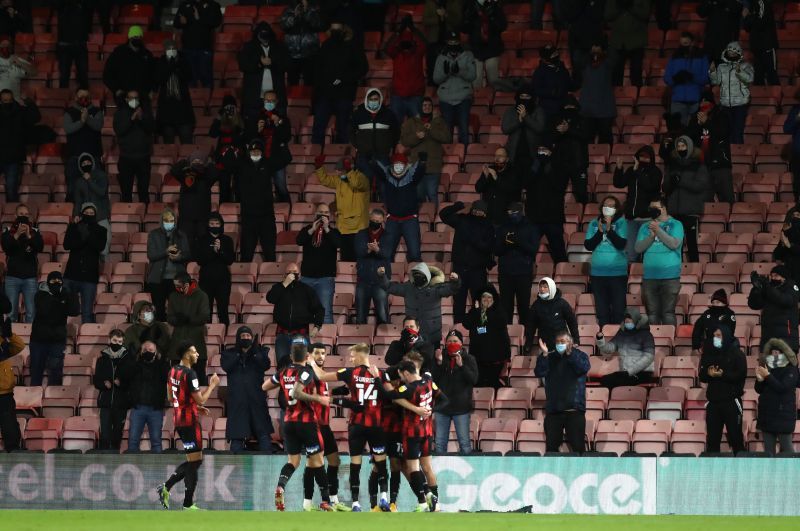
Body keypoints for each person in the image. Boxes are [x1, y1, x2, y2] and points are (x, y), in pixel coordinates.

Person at [313, 343, 389, 512]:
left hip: (357, 426)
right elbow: (389, 396)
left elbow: (322, 376)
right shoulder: (381, 374)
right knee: (381, 462)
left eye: (353, 356)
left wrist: (311, 360)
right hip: (376, 425)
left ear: (361, 356)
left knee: (356, 464)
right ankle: (384, 497)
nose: (351, 359)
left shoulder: (350, 373)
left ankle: (355, 503)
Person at [262, 343, 332, 512]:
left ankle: (281, 486)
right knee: (317, 461)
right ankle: (326, 501)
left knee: (293, 461)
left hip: (288, 422)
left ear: (291, 356)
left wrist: (282, 383)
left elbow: (264, 386)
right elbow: (296, 392)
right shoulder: (306, 371)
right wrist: (317, 399)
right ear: (307, 356)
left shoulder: (283, 372)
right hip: (305, 422)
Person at [156, 343, 220, 511]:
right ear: (185, 354)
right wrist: (213, 384)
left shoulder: (172, 370)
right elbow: (201, 399)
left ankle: (183, 500)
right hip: (190, 422)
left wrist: (194, 406)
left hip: (178, 420)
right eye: (194, 351)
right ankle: (178, 495)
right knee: (195, 461)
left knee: (194, 461)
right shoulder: (190, 374)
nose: (197, 354)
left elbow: (171, 397)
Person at [390, 359, 445, 512]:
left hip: (412, 433)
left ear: (406, 373)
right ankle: (436, 504)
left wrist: (378, 379)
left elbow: (390, 395)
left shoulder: (409, 388)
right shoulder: (428, 379)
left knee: (412, 467)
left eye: (402, 375)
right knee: (427, 468)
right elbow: (444, 400)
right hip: (427, 432)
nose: (401, 379)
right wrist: (430, 410)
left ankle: (425, 499)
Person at [311, 21, 368, 144]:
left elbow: (362, 68)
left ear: (344, 30)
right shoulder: (325, 46)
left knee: (343, 129)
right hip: (325, 93)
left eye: (337, 29)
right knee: (318, 128)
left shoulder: (353, 46)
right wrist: (323, 86)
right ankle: (316, 157)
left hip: (344, 94)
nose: (335, 32)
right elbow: (317, 70)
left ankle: (343, 157)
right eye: (333, 29)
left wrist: (344, 78)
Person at [438, 200, 496, 323]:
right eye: (476, 211)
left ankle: (481, 331)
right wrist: (457, 206)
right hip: (460, 269)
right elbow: (443, 214)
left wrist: (472, 238)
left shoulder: (488, 226)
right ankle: (458, 331)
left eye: (481, 212)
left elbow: (488, 247)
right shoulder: (462, 220)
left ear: (485, 213)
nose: (478, 214)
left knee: (480, 303)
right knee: (458, 302)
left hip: (478, 271)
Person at [379, 262, 460, 348]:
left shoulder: (436, 288)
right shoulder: (407, 287)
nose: (418, 277)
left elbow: (451, 289)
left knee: (432, 359)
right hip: (412, 334)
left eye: (421, 275)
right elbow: (389, 287)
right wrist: (382, 276)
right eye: (416, 275)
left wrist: (455, 281)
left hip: (432, 334)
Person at [534, 331, 590, 453]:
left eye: (563, 342)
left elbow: (583, 368)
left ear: (570, 343)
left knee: (578, 448)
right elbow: (539, 372)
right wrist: (544, 354)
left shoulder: (580, 355)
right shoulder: (549, 356)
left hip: (574, 410)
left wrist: (570, 354)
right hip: (554, 411)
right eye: (558, 342)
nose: (560, 344)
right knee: (551, 448)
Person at [221, 326, 273, 452]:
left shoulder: (260, 352)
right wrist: (240, 353)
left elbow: (265, 365)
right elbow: (226, 366)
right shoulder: (229, 353)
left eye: (248, 336)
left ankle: (267, 464)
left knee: (263, 433)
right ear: (238, 338)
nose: (246, 338)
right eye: (243, 336)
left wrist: (253, 352)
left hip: (257, 398)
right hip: (237, 399)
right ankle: (236, 465)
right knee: (237, 436)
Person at [635, 197, 684, 325]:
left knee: (668, 313)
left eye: (656, 208)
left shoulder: (676, 224)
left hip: (670, 276)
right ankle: (653, 342)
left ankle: (669, 341)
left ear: (664, 209)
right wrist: (651, 237)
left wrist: (658, 230)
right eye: (651, 209)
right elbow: (638, 248)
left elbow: (674, 244)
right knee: (652, 314)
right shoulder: (645, 227)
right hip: (649, 276)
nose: (653, 211)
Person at [266, 263, 325, 367]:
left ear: (300, 275)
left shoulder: (307, 290)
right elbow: (270, 298)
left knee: (302, 366)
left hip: (301, 334)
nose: (292, 275)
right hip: (282, 334)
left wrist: (317, 326)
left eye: (295, 273)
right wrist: (284, 284)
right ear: (284, 275)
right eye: (289, 273)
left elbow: (319, 309)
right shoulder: (278, 287)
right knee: (282, 367)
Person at [312, 155, 370, 262]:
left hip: (357, 227)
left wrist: (349, 172)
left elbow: (357, 184)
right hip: (343, 227)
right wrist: (319, 168)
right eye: (337, 170)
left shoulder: (361, 178)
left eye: (339, 170)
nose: (337, 173)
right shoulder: (340, 179)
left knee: (358, 259)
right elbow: (326, 180)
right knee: (346, 260)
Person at [664, 135, 711, 263]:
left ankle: (694, 269)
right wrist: (672, 183)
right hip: (674, 211)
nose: (680, 148)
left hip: (691, 210)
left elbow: (700, 186)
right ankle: (675, 267)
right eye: (678, 146)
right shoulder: (671, 165)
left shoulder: (699, 165)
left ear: (689, 147)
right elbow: (665, 188)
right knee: (674, 243)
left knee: (692, 244)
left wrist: (680, 181)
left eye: (683, 146)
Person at [429, 329, 477, 455]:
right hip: (442, 408)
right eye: (449, 341)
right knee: (439, 443)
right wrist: (438, 363)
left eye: (455, 341)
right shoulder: (439, 357)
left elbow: (474, 379)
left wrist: (462, 366)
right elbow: (432, 380)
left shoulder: (469, 359)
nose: (452, 343)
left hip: (461, 408)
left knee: (464, 443)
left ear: (461, 343)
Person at [699, 326, 746, 454]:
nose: (715, 338)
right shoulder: (708, 353)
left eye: (718, 336)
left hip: (732, 402)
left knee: (736, 439)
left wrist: (721, 374)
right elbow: (702, 376)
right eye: (714, 336)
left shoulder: (737, 354)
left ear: (726, 336)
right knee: (712, 441)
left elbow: (740, 375)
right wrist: (709, 373)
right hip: (713, 403)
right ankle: (712, 472)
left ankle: (741, 470)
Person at [29, 272, 80, 386]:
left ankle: (53, 399)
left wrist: (71, 294)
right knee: (36, 372)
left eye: (59, 281)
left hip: (57, 341)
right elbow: (45, 310)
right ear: (48, 282)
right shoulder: (40, 294)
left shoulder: (66, 294)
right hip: (38, 341)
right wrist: (62, 302)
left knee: (56, 372)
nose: (56, 284)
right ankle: (35, 400)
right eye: (53, 281)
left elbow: (74, 311)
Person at [400, 97, 452, 210]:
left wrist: (432, 129)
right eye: (424, 105)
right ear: (420, 107)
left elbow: (447, 138)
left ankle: (433, 219)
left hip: (433, 166)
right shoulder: (411, 122)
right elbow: (404, 141)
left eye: (429, 105)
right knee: (419, 195)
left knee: (432, 194)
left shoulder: (439, 121)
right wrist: (416, 137)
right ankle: (421, 219)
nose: (427, 107)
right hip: (417, 166)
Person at [613, 146, 663, 261]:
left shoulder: (655, 171)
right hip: (631, 218)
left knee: (647, 252)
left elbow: (650, 186)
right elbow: (619, 184)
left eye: (646, 157)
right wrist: (619, 169)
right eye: (641, 157)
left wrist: (638, 172)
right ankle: (632, 275)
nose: (643, 160)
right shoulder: (631, 170)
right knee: (631, 252)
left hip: (648, 218)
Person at [374, 153, 426, 262]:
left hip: (410, 220)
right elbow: (378, 170)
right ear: (392, 165)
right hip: (392, 220)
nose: (398, 166)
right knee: (386, 254)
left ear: (405, 165)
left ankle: (416, 277)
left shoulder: (411, 176)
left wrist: (422, 162)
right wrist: (371, 161)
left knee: (415, 254)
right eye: (396, 164)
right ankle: (387, 278)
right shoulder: (387, 176)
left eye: (400, 164)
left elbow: (419, 172)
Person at [584, 197, 628, 326]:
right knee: (602, 312)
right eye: (605, 204)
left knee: (619, 311)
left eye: (611, 205)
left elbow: (621, 244)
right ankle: (605, 342)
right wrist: (600, 231)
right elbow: (589, 245)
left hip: (617, 274)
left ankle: (618, 341)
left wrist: (609, 229)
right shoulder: (593, 223)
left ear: (616, 209)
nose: (607, 207)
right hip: (598, 274)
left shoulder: (621, 223)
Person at [523, 145, 569, 263]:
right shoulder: (531, 166)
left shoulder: (559, 166)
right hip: (533, 217)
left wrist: (550, 163)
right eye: (540, 151)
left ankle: (562, 277)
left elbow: (560, 185)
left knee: (559, 253)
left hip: (553, 217)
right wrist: (537, 164)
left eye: (545, 151)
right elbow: (526, 182)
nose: (542, 154)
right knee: (527, 253)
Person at [686, 91, 734, 203]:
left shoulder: (721, 115)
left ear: (712, 102)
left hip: (721, 164)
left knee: (727, 199)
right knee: (704, 201)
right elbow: (688, 138)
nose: (703, 104)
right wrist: (697, 125)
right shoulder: (694, 118)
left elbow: (722, 133)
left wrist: (707, 122)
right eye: (701, 101)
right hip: (702, 165)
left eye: (706, 100)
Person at [63, 203, 107, 324]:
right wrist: (78, 231)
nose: (88, 215)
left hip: (89, 278)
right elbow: (67, 245)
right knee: (64, 309)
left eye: (91, 213)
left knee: (87, 312)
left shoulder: (101, 230)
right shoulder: (74, 227)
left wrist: (87, 233)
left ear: (95, 215)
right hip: (71, 275)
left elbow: (99, 246)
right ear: (82, 214)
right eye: (86, 213)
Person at [296, 203, 340, 325]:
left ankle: (326, 341)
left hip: (325, 279)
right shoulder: (307, 230)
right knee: (304, 311)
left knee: (325, 313)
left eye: (326, 213)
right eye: (320, 212)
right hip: (307, 278)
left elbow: (338, 243)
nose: (323, 215)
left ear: (329, 217)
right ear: (315, 215)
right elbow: (299, 241)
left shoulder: (333, 232)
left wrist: (326, 229)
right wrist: (311, 230)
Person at [238, 22, 289, 124]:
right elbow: (243, 65)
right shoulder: (248, 47)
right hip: (254, 98)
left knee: (278, 125)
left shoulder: (280, 47)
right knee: (252, 127)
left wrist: (272, 63)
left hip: (276, 98)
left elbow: (287, 64)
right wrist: (260, 63)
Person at [755, 338, 799, 455]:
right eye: (772, 352)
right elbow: (758, 390)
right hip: (767, 415)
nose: (774, 355)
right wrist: (759, 380)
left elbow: (782, 387)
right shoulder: (767, 367)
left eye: (777, 352)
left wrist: (768, 376)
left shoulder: (791, 369)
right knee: (769, 452)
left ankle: (793, 472)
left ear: (784, 353)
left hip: (783, 415)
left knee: (788, 450)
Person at [495, 202, 537, 325]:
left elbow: (533, 249)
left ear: (520, 212)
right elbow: (497, 250)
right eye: (509, 213)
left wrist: (518, 241)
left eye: (514, 213)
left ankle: (524, 337)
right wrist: (506, 244)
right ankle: (506, 336)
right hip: (505, 272)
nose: (511, 215)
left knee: (523, 307)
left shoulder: (531, 227)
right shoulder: (502, 227)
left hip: (524, 272)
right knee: (505, 307)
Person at [125, 340, 170, 453]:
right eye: (145, 350)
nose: (147, 352)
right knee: (133, 441)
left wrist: (161, 359)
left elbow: (168, 377)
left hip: (155, 409)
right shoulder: (135, 365)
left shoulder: (162, 366)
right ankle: (131, 468)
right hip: (137, 408)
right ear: (140, 352)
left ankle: (158, 468)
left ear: (156, 352)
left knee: (156, 441)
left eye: (150, 350)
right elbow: (126, 375)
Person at [147, 208, 191, 321]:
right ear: (162, 220)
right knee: (159, 311)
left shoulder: (181, 235)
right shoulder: (153, 234)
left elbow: (187, 254)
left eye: (171, 220)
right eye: (166, 220)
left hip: (177, 280)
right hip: (157, 279)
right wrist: (166, 251)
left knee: (177, 311)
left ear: (175, 221)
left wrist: (178, 257)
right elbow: (151, 255)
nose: (169, 223)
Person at [351, 88, 399, 192]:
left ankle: (384, 205)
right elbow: (350, 131)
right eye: (371, 99)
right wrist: (358, 145)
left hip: (382, 155)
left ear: (380, 99)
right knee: (363, 183)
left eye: (376, 99)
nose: (374, 101)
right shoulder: (358, 113)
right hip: (364, 155)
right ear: (367, 99)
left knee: (383, 184)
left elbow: (396, 132)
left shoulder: (389, 114)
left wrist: (391, 146)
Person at [433, 31, 476, 145]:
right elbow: (436, 79)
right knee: (447, 130)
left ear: (459, 42)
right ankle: (449, 158)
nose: (453, 43)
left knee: (463, 128)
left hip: (463, 97)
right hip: (446, 98)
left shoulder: (467, 55)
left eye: (455, 41)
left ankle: (464, 154)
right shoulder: (441, 57)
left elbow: (472, 76)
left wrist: (460, 71)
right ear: (447, 42)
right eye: (451, 41)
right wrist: (445, 73)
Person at [237, 139, 277, 262]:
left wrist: (281, 144)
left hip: (266, 216)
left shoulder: (268, 164)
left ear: (262, 151)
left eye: (258, 150)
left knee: (270, 253)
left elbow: (286, 159)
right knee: (246, 254)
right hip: (249, 216)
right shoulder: (242, 165)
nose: (255, 153)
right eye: (253, 151)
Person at [2, 204, 43, 323]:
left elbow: (39, 247)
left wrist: (29, 236)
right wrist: (17, 235)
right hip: (12, 277)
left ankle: (29, 339)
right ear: (15, 216)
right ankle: (11, 340)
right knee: (10, 313)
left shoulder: (35, 231)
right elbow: (6, 247)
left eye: (26, 214)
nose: (24, 217)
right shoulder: (8, 231)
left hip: (30, 278)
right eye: (21, 214)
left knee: (31, 313)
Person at [596, 308, 655, 389]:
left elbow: (649, 357)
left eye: (629, 321)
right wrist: (600, 340)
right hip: (626, 373)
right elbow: (609, 348)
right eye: (626, 322)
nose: (627, 323)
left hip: (642, 373)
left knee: (613, 381)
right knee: (604, 380)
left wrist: (630, 371)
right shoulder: (622, 333)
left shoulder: (646, 335)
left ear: (636, 321)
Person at [114, 89, 155, 204]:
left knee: (144, 193)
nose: (134, 100)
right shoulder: (120, 113)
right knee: (126, 193)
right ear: (126, 99)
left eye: (136, 98)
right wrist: (131, 120)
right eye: (131, 98)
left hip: (143, 158)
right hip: (126, 158)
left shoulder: (145, 112)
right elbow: (119, 130)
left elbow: (151, 129)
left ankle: (144, 215)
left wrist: (142, 118)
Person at [463, 286, 509, 389]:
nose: (486, 300)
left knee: (492, 384)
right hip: (478, 356)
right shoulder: (475, 311)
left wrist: (485, 312)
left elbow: (501, 326)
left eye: (489, 298)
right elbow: (466, 323)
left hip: (495, 358)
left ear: (494, 299)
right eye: (484, 297)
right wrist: (476, 311)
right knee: (478, 385)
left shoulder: (499, 312)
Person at [384, 15, 427, 123]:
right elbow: (386, 48)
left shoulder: (417, 53)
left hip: (415, 96)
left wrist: (413, 30)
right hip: (398, 96)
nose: (406, 45)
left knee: (418, 128)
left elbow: (425, 44)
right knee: (395, 128)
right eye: (404, 43)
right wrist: (398, 32)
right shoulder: (396, 53)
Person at [167, 272, 210, 383]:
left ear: (186, 284)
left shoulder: (201, 296)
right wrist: (177, 320)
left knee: (197, 380)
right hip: (177, 346)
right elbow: (170, 317)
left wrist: (189, 319)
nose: (176, 288)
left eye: (178, 286)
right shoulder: (173, 296)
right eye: (175, 286)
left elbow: (205, 316)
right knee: (177, 381)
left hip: (196, 345)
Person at [93, 329, 132, 450]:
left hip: (121, 404)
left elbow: (132, 381)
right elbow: (96, 381)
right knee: (104, 433)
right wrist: (104, 384)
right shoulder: (101, 359)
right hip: (105, 403)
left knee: (117, 434)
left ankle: (115, 457)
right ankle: (103, 457)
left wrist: (122, 383)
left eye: (120, 341)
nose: (117, 343)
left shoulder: (128, 359)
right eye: (115, 340)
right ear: (109, 340)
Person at [709, 41, 753, 145]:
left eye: (734, 52)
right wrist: (712, 72)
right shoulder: (721, 67)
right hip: (725, 104)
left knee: (737, 132)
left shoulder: (745, 66)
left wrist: (739, 72)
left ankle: (738, 155)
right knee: (726, 132)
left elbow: (749, 79)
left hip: (740, 105)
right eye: (729, 52)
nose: (731, 54)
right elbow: (716, 81)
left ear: (738, 53)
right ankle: (728, 156)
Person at [252, 90, 292, 204]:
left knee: (281, 187)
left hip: (278, 159)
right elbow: (251, 139)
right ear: (263, 101)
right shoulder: (257, 117)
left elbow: (286, 137)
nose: (269, 103)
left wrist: (278, 123)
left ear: (277, 102)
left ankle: (287, 209)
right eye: (267, 100)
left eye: (272, 101)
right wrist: (258, 131)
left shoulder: (282, 118)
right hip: (262, 160)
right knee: (263, 187)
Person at [171, 150, 215, 254]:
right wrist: (186, 162)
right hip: (186, 218)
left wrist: (207, 164)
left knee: (203, 246)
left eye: (199, 161)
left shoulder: (207, 177)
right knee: (185, 246)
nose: (197, 163)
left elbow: (216, 173)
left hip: (202, 219)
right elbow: (173, 170)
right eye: (194, 161)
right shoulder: (184, 175)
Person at [747, 265, 800, 351]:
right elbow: (754, 305)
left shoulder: (791, 287)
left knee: (785, 364)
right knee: (766, 364)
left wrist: (767, 286)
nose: (773, 278)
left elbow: (785, 300)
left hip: (787, 340)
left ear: (784, 277)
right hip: (768, 338)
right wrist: (756, 289)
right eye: (772, 276)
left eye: (776, 276)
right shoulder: (769, 288)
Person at [0, 89, 40, 202]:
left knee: (11, 190)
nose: (7, 102)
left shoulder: (20, 112)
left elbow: (36, 118)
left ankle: (12, 213)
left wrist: (29, 102)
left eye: (9, 100)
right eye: (4, 100)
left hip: (13, 158)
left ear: (13, 99)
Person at [63, 89, 104, 199]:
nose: (84, 98)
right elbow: (68, 129)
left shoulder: (97, 111)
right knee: (72, 188)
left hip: (93, 156)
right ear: (76, 98)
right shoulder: (69, 112)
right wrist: (81, 121)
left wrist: (88, 119)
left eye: (86, 96)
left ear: (90, 98)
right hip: (74, 156)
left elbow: (98, 126)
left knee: (95, 187)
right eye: (81, 96)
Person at [195, 212, 234, 326]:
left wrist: (220, 251)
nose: (214, 225)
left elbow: (230, 260)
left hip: (223, 281)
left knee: (223, 311)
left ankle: (224, 336)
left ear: (221, 225)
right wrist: (213, 252)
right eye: (212, 223)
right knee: (206, 312)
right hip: (206, 281)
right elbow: (200, 260)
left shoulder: (227, 240)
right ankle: (207, 338)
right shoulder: (201, 240)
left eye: (217, 223)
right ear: (207, 224)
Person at [172, 0, 222, 88]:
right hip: (188, 48)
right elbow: (176, 23)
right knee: (189, 79)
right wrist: (181, 21)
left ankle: (208, 100)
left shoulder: (213, 5)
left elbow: (216, 22)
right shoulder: (184, 5)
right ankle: (191, 100)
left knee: (206, 78)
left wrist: (199, 18)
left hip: (204, 49)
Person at [664, 32, 710, 126]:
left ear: (693, 43)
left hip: (696, 101)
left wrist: (693, 77)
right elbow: (667, 78)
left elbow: (706, 78)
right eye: (681, 44)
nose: (683, 47)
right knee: (679, 132)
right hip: (678, 101)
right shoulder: (674, 57)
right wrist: (676, 79)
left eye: (686, 44)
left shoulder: (702, 57)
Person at [154, 40, 196, 145]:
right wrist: (170, 66)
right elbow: (159, 79)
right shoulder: (160, 62)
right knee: (168, 143)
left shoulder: (183, 61)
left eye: (173, 48)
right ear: (165, 50)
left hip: (183, 109)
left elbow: (188, 77)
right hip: (167, 110)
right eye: (169, 49)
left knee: (186, 142)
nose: (171, 50)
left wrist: (177, 67)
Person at [524, 277, 580, 353]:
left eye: (545, 287)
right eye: (540, 287)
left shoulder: (562, 303)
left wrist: (576, 339)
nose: (542, 289)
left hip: (562, 344)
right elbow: (531, 326)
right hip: (544, 345)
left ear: (551, 288)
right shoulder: (536, 305)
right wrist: (528, 343)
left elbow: (572, 322)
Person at [354, 209, 391, 324]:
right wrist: (369, 250)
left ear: (382, 221)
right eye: (373, 220)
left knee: (383, 316)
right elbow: (359, 252)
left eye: (378, 221)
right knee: (360, 317)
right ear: (369, 219)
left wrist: (377, 250)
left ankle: (382, 340)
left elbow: (387, 254)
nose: (375, 222)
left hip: (380, 282)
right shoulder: (361, 234)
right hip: (363, 281)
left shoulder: (388, 236)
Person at [552, 95, 590, 205]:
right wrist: (560, 132)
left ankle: (583, 217)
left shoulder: (583, 119)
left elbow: (586, 135)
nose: (569, 109)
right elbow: (551, 137)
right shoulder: (556, 119)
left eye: (571, 106)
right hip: (560, 163)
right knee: (557, 193)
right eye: (566, 106)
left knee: (581, 193)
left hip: (579, 163)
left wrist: (569, 129)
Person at [102, 26, 156, 105]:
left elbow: (153, 74)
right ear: (129, 37)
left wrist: (153, 90)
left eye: (139, 36)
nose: (137, 38)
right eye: (134, 36)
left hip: (143, 97)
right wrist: (116, 89)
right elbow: (107, 74)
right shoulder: (118, 53)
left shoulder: (147, 54)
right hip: (123, 96)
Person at [71, 154, 111, 258]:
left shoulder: (101, 176)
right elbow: (78, 201)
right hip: (86, 219)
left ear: (92, 163)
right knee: (89, 250)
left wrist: (89, 180)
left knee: (104, 250)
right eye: (83, 163)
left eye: (88, 162)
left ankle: (105, 273)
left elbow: (101, 192)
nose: (86, 165)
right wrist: (75, 214)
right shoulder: (79, 181)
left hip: (101, 217)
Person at [461, 0, 506, 89]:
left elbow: (503, 25)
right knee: (476, 81)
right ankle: (478, 101)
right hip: (475, 49)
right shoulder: (469, 6)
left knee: (494, 81)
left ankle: (494, 99)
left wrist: (492, 16)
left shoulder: (495, 6)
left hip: (492, 48)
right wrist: (470, 17)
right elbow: (464, 28)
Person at [604, 0, 650, 87]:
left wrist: (630, 6)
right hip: (618, 42)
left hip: (637, 41)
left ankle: (637, 96)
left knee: (636, 74)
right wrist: (620, 7)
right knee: (616, 76)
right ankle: (617, 98)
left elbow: (645, 14)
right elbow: (607, 15)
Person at [502, 84, 546, 172]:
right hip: (514, 154)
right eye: (522, 96)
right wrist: (519, 121)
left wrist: (526, 117)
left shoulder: (538, 110)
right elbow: (505, 129)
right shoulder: (510, 111)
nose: (524, 99)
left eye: (527, 96)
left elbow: (540, 128)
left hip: (532, 154)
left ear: (532, 97)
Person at [209, 95, 245, 203]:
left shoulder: (241, 120)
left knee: (240, 189)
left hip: (238, 159)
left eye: (232, 107)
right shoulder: (220, 121)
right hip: (223, 160)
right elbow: (212, 133)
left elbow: (244, 136)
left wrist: (237, 117)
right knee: (224, 189)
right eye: (227, 107)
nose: (229, 110)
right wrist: (220, 116)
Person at [579, 42, 616, 144]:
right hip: (588, 111)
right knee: (586, 143)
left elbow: (614, 57)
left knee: (605, 143)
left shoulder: (607, 64)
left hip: (605, 110)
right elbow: (578, 59)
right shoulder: (585, 63)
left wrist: (603, 50)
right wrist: (590, 51)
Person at [0, 296, 24, 451]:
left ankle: (14, 452)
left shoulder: (4, 340)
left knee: (10, 428)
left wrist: (8, 335)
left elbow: (19, 346)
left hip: (5, 392)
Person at [280, 0, 324, 86]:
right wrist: (295, 16)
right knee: (292, 81)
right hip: (292, 53)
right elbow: (283, 25)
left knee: (310, 81)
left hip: (310, 52)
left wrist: (307, 12)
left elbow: (318, 25)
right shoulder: (288, 10)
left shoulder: (314, 10)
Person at [562, 0, 605, 87]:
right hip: (576, 39)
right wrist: (581, 3)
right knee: (578, 74)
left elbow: (599, 16)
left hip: (595, 39)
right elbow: (568, 15)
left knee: (596, 73)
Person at [476, 147, 521, 225]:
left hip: (505, 215)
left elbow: (510, 189)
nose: (497, 158)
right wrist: (485, 176)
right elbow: (478, 189)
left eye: (500, 156)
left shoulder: (513, 172)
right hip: (488, 214)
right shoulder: (489, 170)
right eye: (496, 156)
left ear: (507, 159)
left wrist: (496, 177)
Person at [422, 0, 463, 83]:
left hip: (450, 40)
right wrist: (438, 18)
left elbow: (458, 20)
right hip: (434, 40)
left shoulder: (454, 3)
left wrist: (446, 15)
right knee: (432, 66)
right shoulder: (430, 3)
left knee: (450, 66)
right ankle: (433, 85)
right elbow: (425, 20)